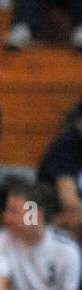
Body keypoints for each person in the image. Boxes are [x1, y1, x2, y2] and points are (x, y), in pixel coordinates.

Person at [37, 100, 82, 241]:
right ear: (79, 123)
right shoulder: (65, 146)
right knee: (78, 219)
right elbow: (69, 202)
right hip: (49, 217)